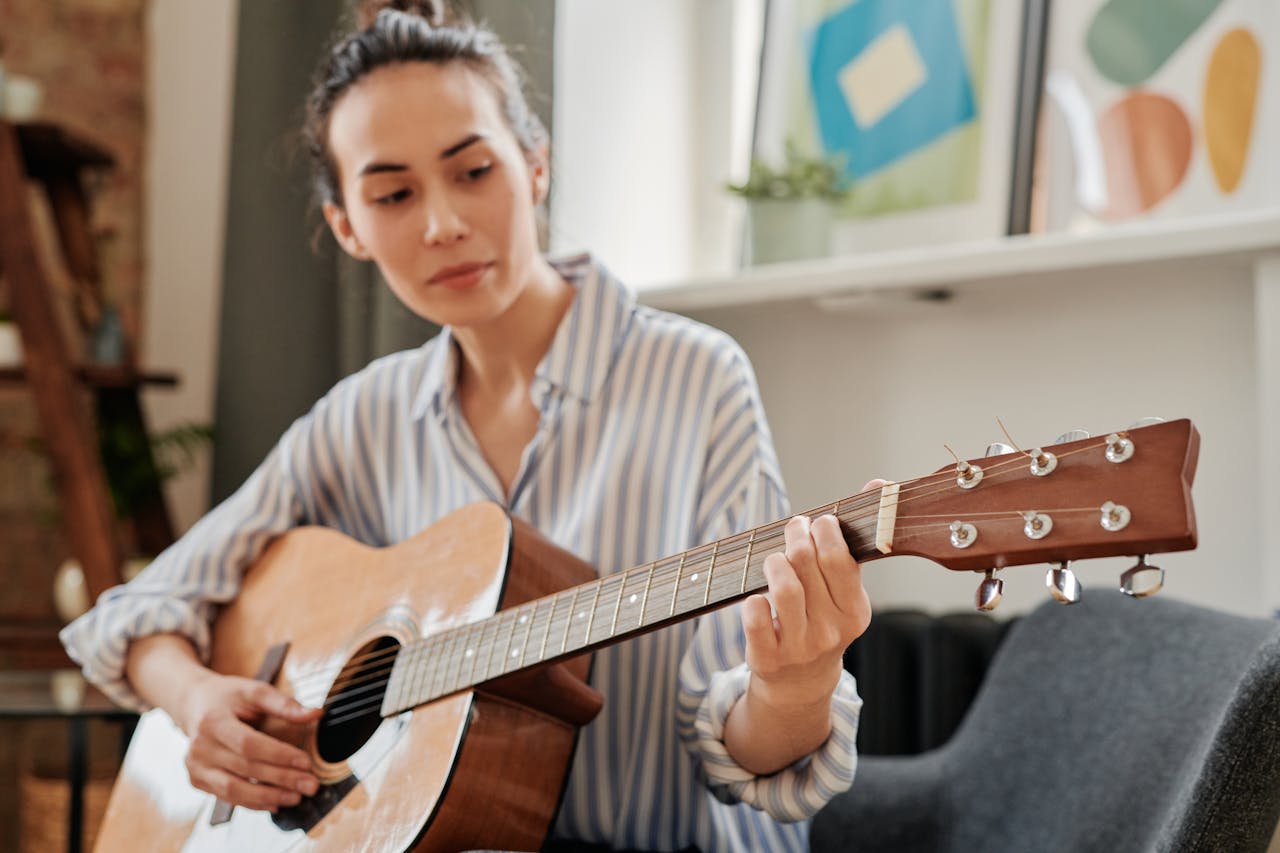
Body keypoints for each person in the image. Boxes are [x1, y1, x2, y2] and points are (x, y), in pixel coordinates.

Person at [60, 2, 872, 850]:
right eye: (394, 193)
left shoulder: (698, 378)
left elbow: (742, 754)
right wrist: (199, 704)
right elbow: (140, 609)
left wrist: (794, 686)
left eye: (473, 171)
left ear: (536, 166)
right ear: (349, 228)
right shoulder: (362, 418)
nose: (442, 222)